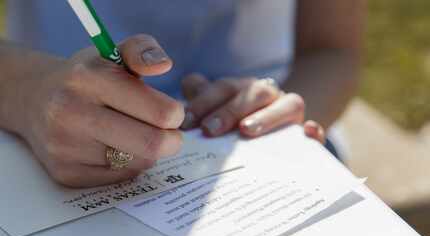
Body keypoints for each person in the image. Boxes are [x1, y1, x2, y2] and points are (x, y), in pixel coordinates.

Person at [0, 0, 364, 187]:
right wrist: (30, 94)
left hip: (255, 126)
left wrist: (285, 107)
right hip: (37, 126)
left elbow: (333, 50)